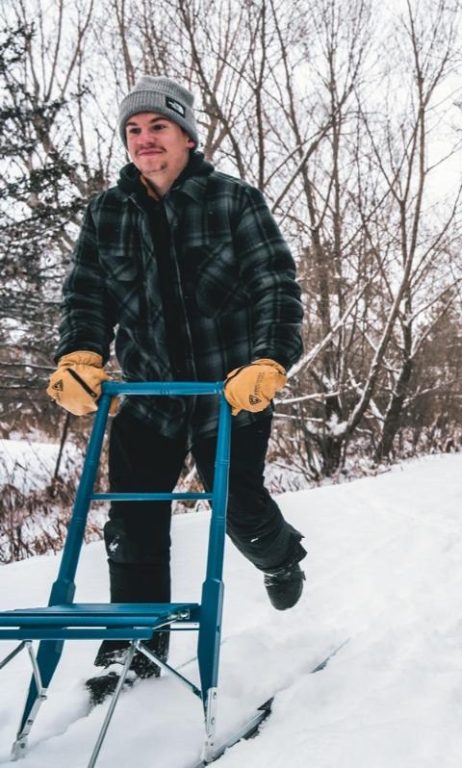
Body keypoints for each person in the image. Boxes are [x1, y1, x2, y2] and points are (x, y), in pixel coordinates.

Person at [45, 76, 307, 699]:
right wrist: (80, 354)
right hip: (148, 395)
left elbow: (275, 284)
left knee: (237, 503)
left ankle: (278, 557)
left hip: (230, 390)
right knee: (133, 517)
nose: (145, 139)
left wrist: (270, 358)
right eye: (134, 130)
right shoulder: (107, 213)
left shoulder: (233, 201)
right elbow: (87, 295)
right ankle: (132, 644)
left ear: (187, 135)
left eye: (158, 127)